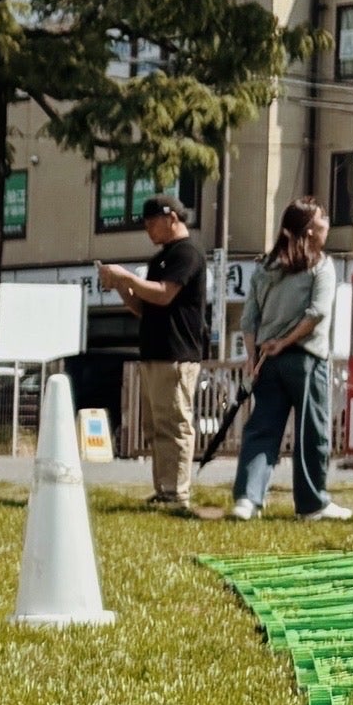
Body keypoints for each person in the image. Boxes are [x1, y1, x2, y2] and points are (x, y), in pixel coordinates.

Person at [226, 198, 350, 521]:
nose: (327, 224)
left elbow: (249, 318)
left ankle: (247, 499)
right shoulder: (321, 265)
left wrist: (254, 356)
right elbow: (317, 313)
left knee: (262, 429)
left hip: (267, 360)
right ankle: (312, 504)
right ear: (310, 230)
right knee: (312, 432)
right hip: (307, 358)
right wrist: (286, 341)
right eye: (322, 219)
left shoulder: (266, 267)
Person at [95, 187, 211, 512]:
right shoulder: (161, 257)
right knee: (156, 426)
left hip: (177, 352)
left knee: (174, 424)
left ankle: (177, 493)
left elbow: (163, 294)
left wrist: (126, 276)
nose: (147, 230)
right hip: (154, 349)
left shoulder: (186, 253)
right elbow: (143, 306)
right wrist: (120, 284)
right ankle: (164, 490)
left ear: (171, 218)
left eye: (150, 223)